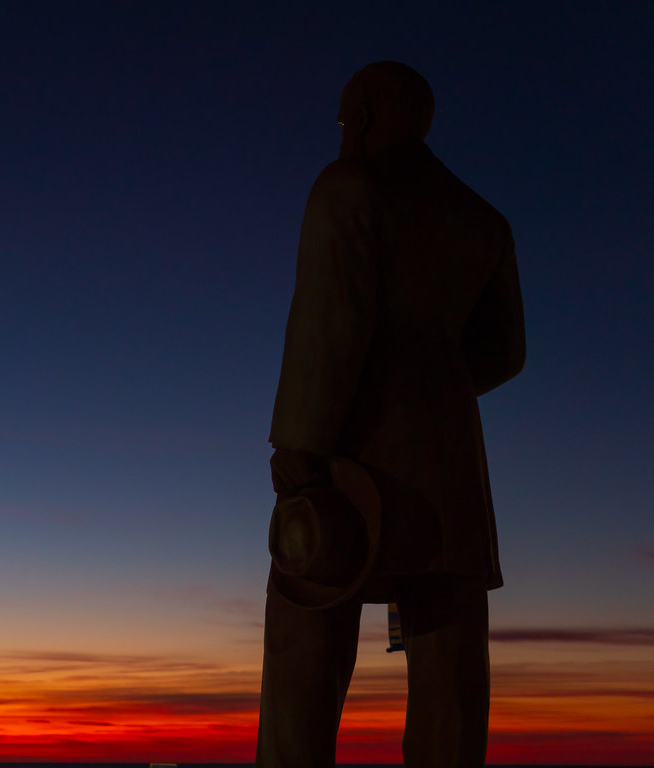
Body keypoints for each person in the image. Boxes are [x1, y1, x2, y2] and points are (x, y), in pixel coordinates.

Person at [256, 62, 526, 768]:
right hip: (453, 480)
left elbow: (328, 325)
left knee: (304, 650)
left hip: (353, 471)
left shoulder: (348, 188)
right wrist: (436, 393)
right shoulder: (484, 221)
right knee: (448, 675)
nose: (343, 131)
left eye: (347, 116)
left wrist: (300, 447)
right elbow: (506, 353)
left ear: (370, 110)